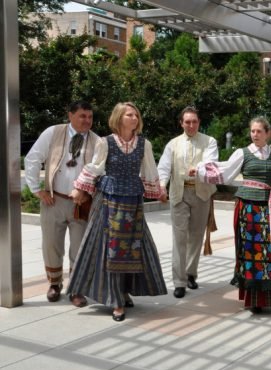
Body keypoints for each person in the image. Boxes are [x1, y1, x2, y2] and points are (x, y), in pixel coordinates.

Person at [195, 117, 271, 313]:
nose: (255, 135)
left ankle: (270, 296)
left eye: (259, 131)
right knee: (250, 252)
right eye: (252, 131)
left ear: (268, 133)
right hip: (248, 208)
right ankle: (253, 299)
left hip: (269, 208)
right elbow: (226, 173)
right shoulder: (242, 154)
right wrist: (201, 171)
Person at [67, 102, 168, 321]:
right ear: (119, 118)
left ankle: (123, 291)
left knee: (131, 247)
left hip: (133, 201)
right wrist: (79, 187)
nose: (134, 117)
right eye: (129, 114)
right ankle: (115, 300)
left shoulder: (144, 144)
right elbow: (95, 167)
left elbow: (150, 170)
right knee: (109, 248)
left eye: (136, 114)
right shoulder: (105, 142)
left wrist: (158, 190)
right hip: (109, 200)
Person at [24, 100, 100, 307]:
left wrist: (87, 192)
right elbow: (32, 158)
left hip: (82, 203)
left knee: (80, 247)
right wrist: (36, 189)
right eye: (82, 116)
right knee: (51, 244)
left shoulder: (98, 141)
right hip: (54, 199)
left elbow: (101, 172)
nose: (87, 120)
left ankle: (76, 289)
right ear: (70, 115)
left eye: (90, 117)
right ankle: (54, 284)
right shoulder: (53, 132)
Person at [158, 106, 218, 298]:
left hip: (201, 193)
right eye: (187, 122)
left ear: (199, 122)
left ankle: (190, 273)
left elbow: (210, 163)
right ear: (181, 123)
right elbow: (164, 167)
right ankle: (179, 281)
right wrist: (161, 185)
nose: (191, 125)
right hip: (179, 193)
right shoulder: (172, 144)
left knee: (196, 236)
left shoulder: (210, 142)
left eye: (194, 121)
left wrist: (198, 168)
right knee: (179, 237)